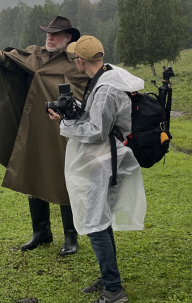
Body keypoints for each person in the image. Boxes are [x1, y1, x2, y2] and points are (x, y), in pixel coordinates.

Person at [0, 16, 88, 256]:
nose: (50, 38)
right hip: (33, 124)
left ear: (69, 37)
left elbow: (86, 91)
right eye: (47, 34)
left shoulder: (75, 61)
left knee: (65, 176)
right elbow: (12, 65)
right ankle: (41, 232)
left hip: (63, 128)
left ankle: (71, 236)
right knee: (32, 170)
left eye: (55, 34)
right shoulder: (36, 54)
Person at [48, 35, 145, 303]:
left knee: (95, 222)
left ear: (80, 60)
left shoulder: (106, 89)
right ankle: (108, 278)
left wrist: (63, 124)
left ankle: (114, 290)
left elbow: (97, 131)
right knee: (100, 219)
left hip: (105, 161)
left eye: (74, 58)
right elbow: (99, 118)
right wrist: (75, 111)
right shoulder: (105, 76)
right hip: (106, 158)